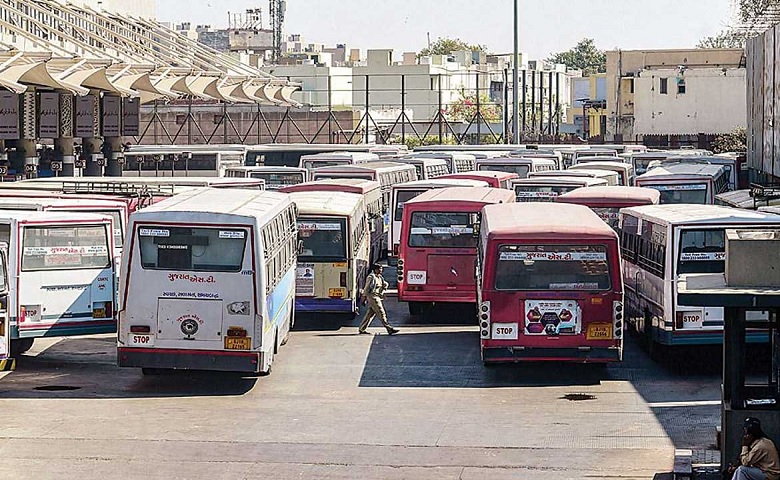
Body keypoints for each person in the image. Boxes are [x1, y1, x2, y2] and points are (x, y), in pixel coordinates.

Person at [358, 264, 399, 335]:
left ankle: (362, 328)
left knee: (370, 314)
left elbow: (384, 284)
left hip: (377, 296)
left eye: (381, 269)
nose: (381, 270)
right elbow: (366, 288)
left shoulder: (380, 277)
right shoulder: (371, 277)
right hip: (372, 296)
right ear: (375, 270)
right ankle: (388, 328)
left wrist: (385, 287)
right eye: (380, 269)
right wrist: (364, 297)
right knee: (381, 312)